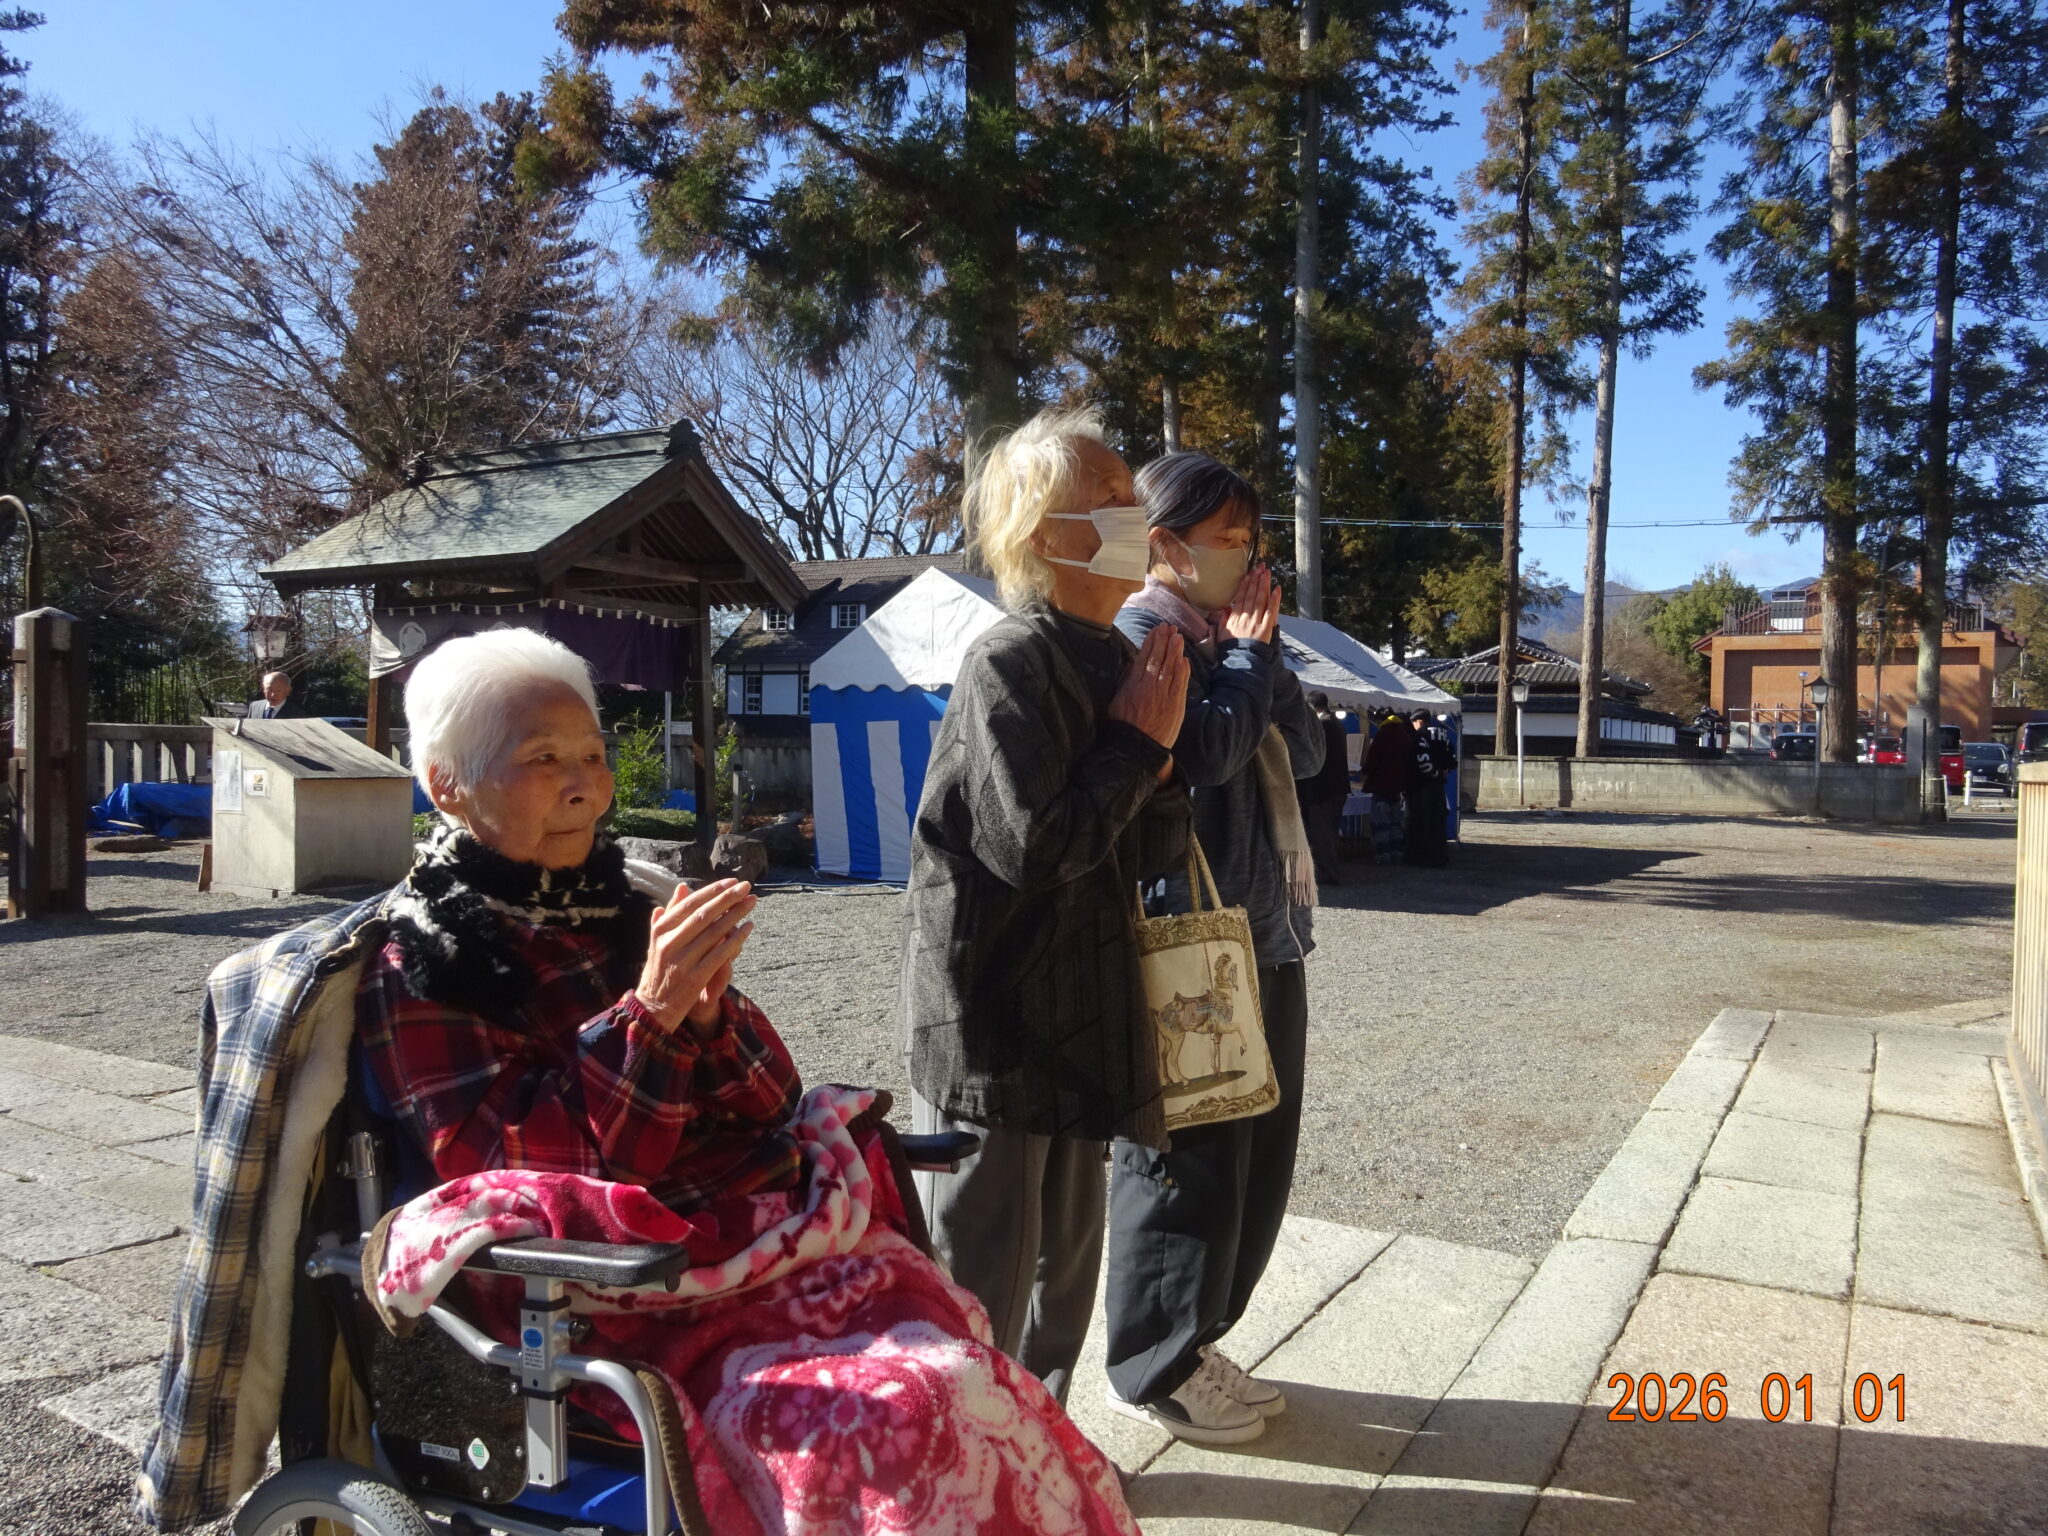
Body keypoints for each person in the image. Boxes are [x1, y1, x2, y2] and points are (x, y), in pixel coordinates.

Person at [902, 407, 1192, 1409]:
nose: (1134, 515)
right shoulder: (1008, 664)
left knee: (1063, 1282)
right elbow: (1035, 848)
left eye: (1131, 496)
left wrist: (1161, 765)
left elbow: (1146, 845)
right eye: (1108, 498)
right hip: (994, 1026)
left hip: (1084, 1019)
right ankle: (966, 1463)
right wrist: (1137, 749)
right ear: (1041, 533)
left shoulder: (1114, 656)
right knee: (977, 1282)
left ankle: (1045, 1459)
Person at [1104, 449, 1326, 1447]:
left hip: (1263, 932)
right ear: (1166, 545)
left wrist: (1257, 657)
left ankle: (1198, 1342)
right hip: (1187, 937)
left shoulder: (1234, 640)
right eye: (1230, 538)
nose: (1249, 557)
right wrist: (1242, 658)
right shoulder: (1141, 633)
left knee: (1251, 1159)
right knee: (1184, 1158)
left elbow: (1307, 753)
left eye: (1251, 538)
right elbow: (1205, 752)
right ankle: (1154, 1362)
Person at [1296, 691, 1353, 885]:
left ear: (1310, 706)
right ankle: (1329, 870)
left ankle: (1328, 873)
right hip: (1336, 788)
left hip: (1323, 789)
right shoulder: (1335, 723)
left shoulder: (1323, 725)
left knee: (1323, 835)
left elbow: (1314, 757)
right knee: (1330, 833)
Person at [1361, 709, 1416, 863]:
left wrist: (1365, 770)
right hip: (1398, 787)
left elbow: (1372, 760)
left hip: (1381, 785)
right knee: (1396, 822)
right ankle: (1397, 853)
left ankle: (1383, 855)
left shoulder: (1382, 735)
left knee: (1380, 823)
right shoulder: (1405, 735)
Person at [1405, 709, 1453, 867]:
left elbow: (1422, 762)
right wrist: (1442, 773)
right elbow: (1452, 758)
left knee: (1420, 822)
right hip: (1439, 787)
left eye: (1413, 723)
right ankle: (1439, 856)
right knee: (1438, 822)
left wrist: (1434, 773)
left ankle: (1420, 856)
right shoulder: (1443, 735)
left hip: (1420, 786)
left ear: (1419, 722)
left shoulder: (1419, 737)